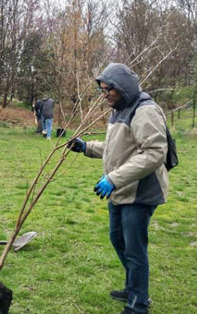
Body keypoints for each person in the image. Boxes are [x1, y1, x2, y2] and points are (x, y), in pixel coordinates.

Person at [68, 63, 168, 314]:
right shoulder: (119, 109)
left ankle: (138, 302)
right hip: (121, 189)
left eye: (108, 90)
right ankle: (133, 285)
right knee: (118, 239)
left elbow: (155, 153)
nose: (105, 95)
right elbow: (117, 148)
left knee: (134, 248)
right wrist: (86, 147)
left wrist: (114, 179)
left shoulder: (145, 110)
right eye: (102, 90)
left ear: (122, 87)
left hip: (140, 191)